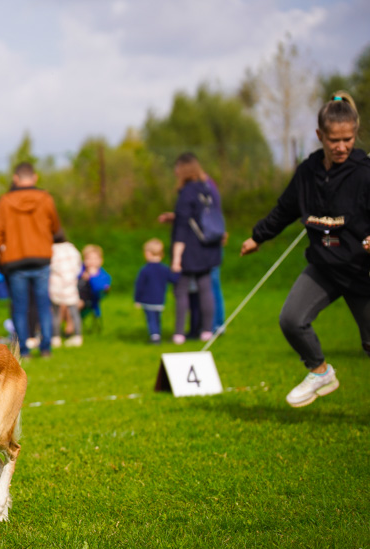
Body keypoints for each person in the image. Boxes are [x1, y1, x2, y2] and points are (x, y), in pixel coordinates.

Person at [240, 91, 370, 408]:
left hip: (361, 270)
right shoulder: (307, 173)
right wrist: (258, 236)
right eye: (334, 140)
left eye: (348, 139)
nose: (341, 147)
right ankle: (320, 371)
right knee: (291, 320)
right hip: (324, 267)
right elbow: (285, 209)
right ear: (319, 136)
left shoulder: (365, 173)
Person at [0, 162, 61, 358]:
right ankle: (46, 347)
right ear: (35, 177)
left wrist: (3, 250)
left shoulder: (5, 201)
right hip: (41, 258)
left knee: (20, 307)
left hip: (15, 261)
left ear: (15, 178)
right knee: (43, 305)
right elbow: (55, 227)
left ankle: (24, 350)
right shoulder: (45, 199)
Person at [158, 154, 227, 335]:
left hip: (192, 248)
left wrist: (176, 258)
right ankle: (208, 329)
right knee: (208, 288)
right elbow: (207, 216)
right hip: (210, 244)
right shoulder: (208, 187)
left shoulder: (187, 192)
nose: (175, 171)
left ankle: (183, 332)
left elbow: (182, 226)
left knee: (183, 290)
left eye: (177, 168)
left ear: (183, 170)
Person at [134, 238, 177, 344]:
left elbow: (139, 286)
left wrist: (137, 299)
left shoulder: (145, 270)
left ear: (148, 254)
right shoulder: (165, 269)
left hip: (147, 300)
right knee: (157, 318)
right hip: (160, 299)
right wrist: (178, 270)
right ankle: (157, 333)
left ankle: (154, 337)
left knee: (151, 319)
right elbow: (174, 279)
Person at [49, 230, 83, 348]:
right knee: (74, 313)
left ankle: (55, 337)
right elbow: (78, 265)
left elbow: (50, 266)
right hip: (71, 284)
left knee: (56, 313)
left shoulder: (51, 249)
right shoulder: (72, 249)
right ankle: (78, 337)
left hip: (56, 284)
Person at [78, 244, 112, 326]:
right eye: (88, 258)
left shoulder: (103, 276)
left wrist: (92, 276)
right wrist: (81, 276)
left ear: (100, 261)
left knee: (73, 305)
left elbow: (98, 290)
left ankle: (72, 331)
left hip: (89, 301)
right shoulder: (80, 270)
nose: (91, 261)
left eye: (95, 259)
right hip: (73, 296)